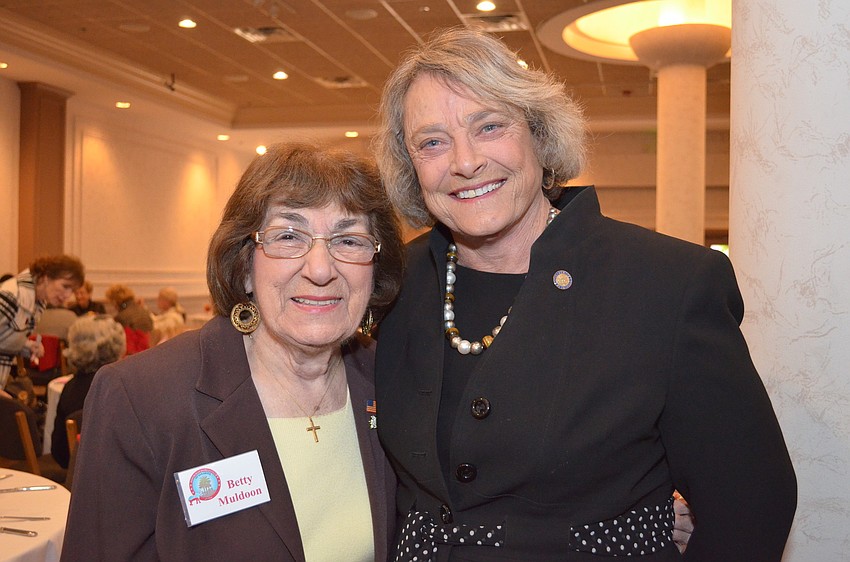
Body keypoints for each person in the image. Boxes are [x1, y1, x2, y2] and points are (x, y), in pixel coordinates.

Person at [372, 28, 797, 561]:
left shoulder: (668, 284)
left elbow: (753, 509)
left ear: (539, 134)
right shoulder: (388, 284)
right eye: (431, 142)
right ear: (409, 164)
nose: (465, 161)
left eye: (490, 126)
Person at [62, 142, 406, 561]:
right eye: (288, 236)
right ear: (244, 267)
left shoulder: (391, 381)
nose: (320, 269)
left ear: (374, 267)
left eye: (348, 240)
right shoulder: (141, 397)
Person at [0, 255, 84, 397]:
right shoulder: (12, 295)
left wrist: (27, 346)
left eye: (72, 290)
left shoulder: (37, 300)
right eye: (65, 286)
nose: (68, 295)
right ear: (46, 277)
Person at [50, 314, 125, 468]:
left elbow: (59, 451)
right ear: (114, 347)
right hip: (117, 474)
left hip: (75, 472)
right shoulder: (122, 387)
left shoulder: (70, 387)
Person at [104, 283, 154, 354]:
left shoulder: (121, 317)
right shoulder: (143, 310)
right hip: (150, 349)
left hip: (134, 353)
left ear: (115, 301)